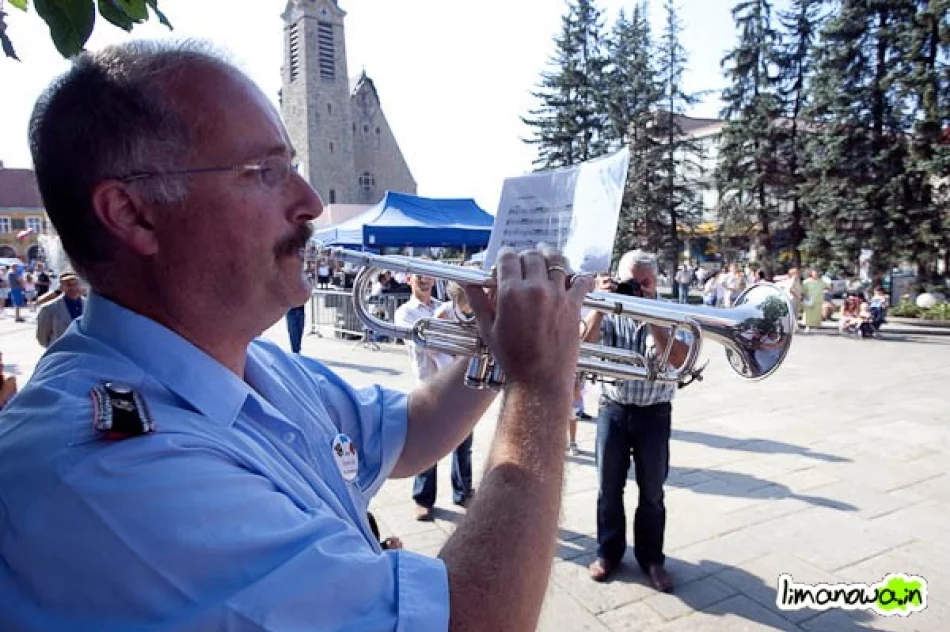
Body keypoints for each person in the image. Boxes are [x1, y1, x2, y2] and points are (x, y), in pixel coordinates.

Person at [0, 41, 593, 631]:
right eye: (265, 172)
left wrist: (494, 348)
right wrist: (539, 386)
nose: (310, 202)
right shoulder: (104, 470)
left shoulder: (252, 361)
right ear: (133, 214)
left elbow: (409, 434)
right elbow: (473, 623)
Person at [582, 250, 689, 593]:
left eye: (646, 282)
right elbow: (582, 349)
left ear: (657, 282)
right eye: (633, 281)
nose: (639, 289)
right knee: (607, 489)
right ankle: (608, 553)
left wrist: (649, 314)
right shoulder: (609, 304)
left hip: (654, 413)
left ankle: (651, 559)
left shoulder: (671, 311)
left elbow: (677, 359)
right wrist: (599, 303)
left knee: (653, 492)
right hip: (613, 409)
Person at [395, 271, 475, 520]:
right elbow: (424, 344)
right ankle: (423, 498)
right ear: (409, 279)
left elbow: (466, 338)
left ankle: (463, 492)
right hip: (428, 386)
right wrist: (440, 324)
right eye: (419, 275)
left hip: (456, 384)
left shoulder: (446, 307)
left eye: (429, 276)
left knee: (463, 444)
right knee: (428, 446)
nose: (425, 280)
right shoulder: (405, 312)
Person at [35, 271, 86, 348]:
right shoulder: (49, 309)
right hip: (61, 351)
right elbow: (42, 337)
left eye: (75, 284)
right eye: (68, 285)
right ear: (61, 287)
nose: (73, 288)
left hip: (84, 351)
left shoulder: (89, 307)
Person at [801, 269, 828, 333]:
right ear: (811, 274)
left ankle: (816, 325)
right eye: (814, 273)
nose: (816, 275)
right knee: (808, 314)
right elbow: (803, 291)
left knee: (817, 313)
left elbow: (828, 287)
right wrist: (803, 298)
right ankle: (807, 326)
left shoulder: (821, 281)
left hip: (818, 300)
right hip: (809, 299)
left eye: (817, 273)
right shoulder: (806, 282)